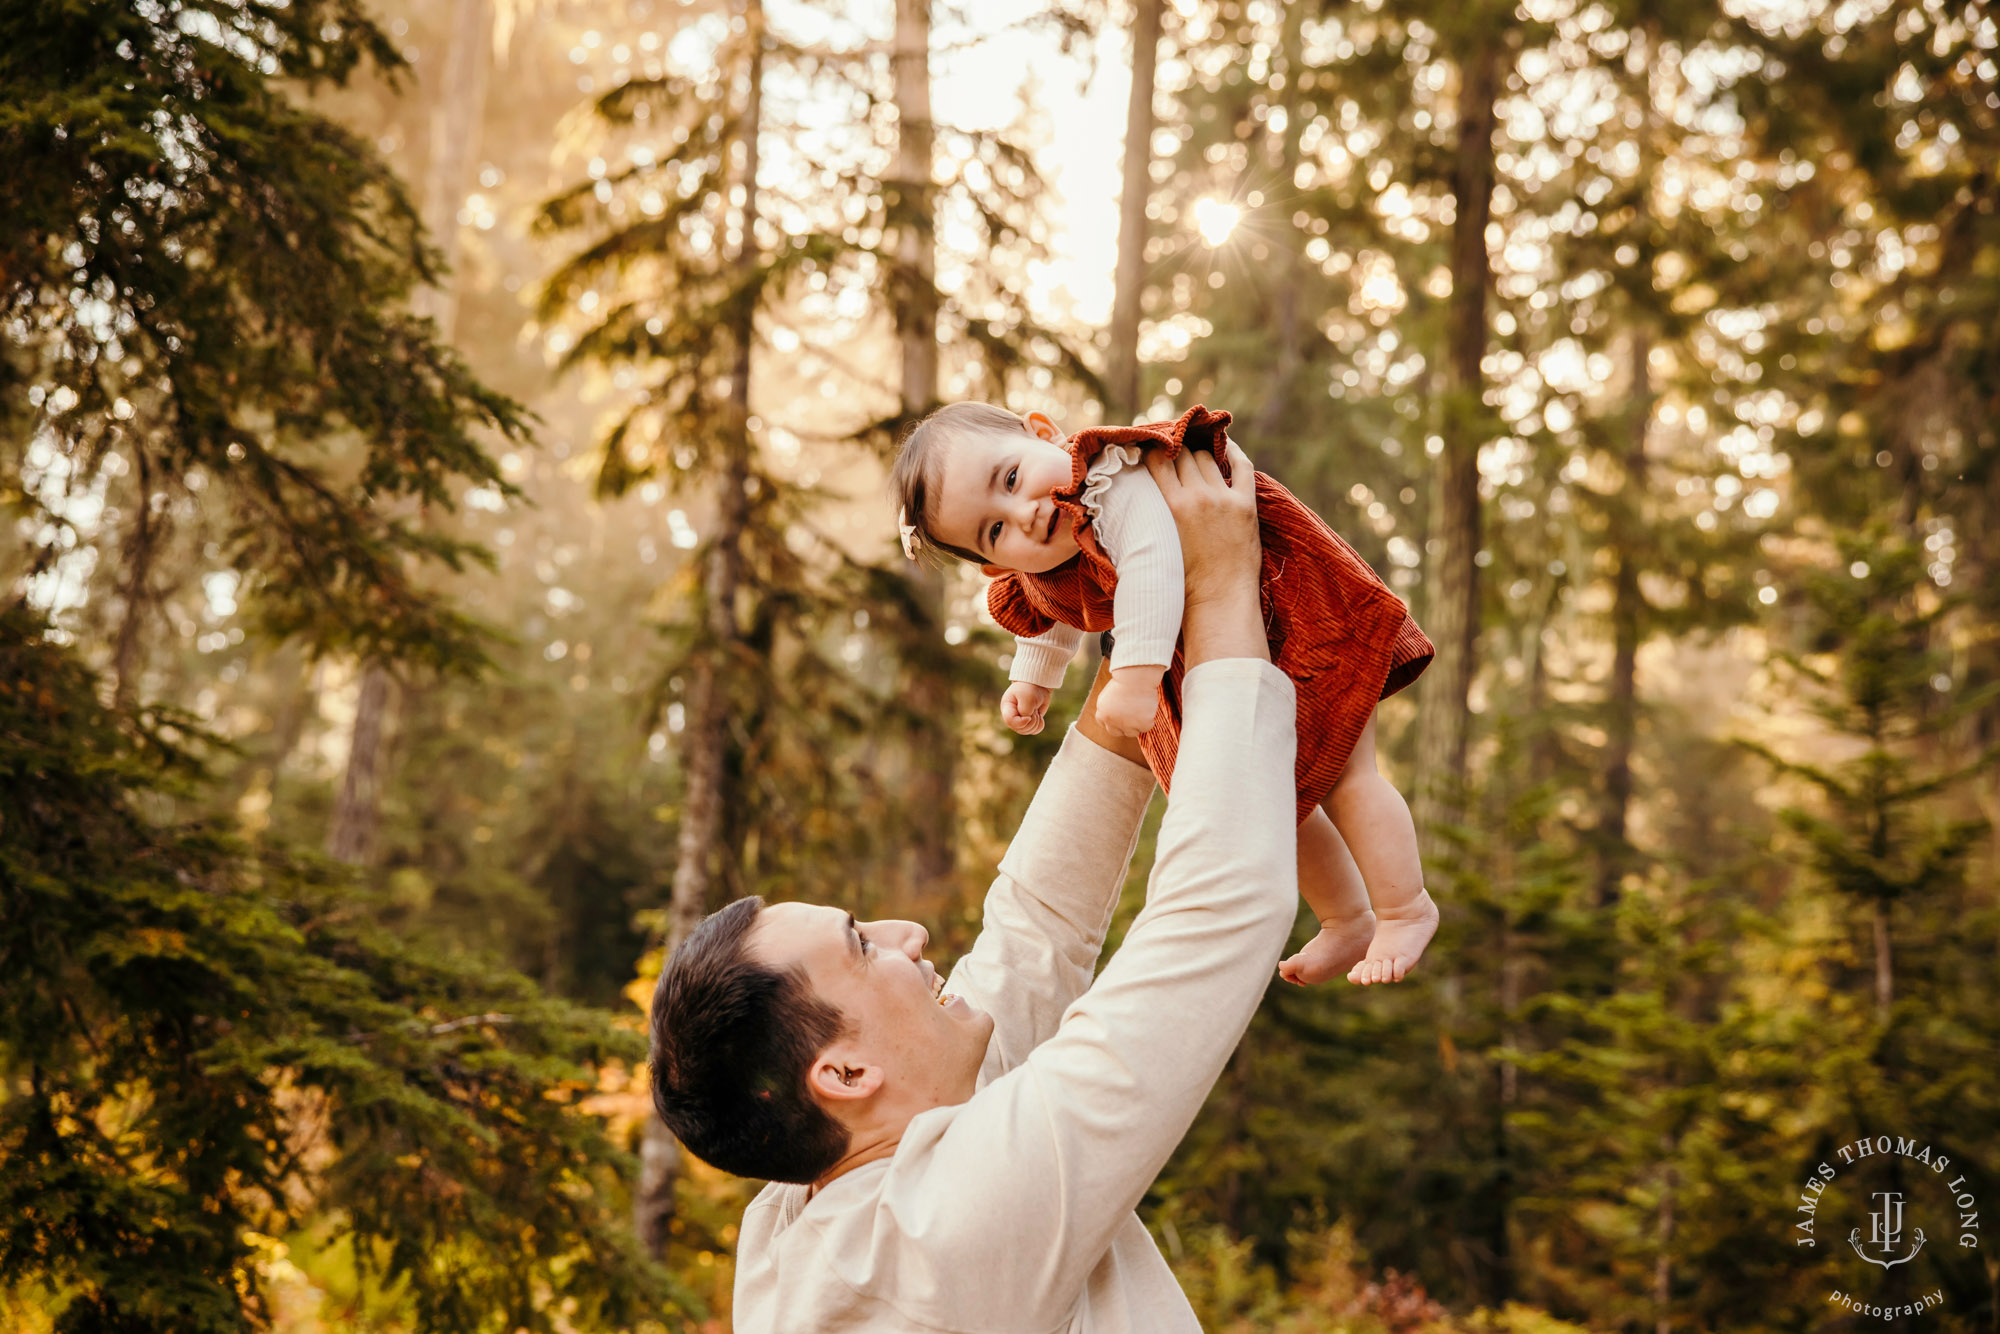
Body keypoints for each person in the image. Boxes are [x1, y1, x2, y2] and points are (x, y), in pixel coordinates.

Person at [650, 441, 1298, 1332]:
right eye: (862, 944)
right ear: (842, 1071)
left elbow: (1037, 929)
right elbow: (1217, 917)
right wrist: (1225, 591)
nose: (908, 932)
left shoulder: (812, 1206)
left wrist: (1143, 648)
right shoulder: (939, 1234)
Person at [892, 402, 1438, 986]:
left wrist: (1134, 678)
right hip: (1225, 640)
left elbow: (1151, 565)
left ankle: (1406, 909)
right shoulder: (1046, 554)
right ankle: (1345, 918)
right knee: (1276, 806)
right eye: (993, 531)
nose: (1021, 514)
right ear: (991, 563)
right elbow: (1055, 603)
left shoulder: (1112, 480)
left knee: (1347, 780)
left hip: (1296, 609)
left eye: (1010, 479)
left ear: (1046, 434)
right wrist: (1032, 677)